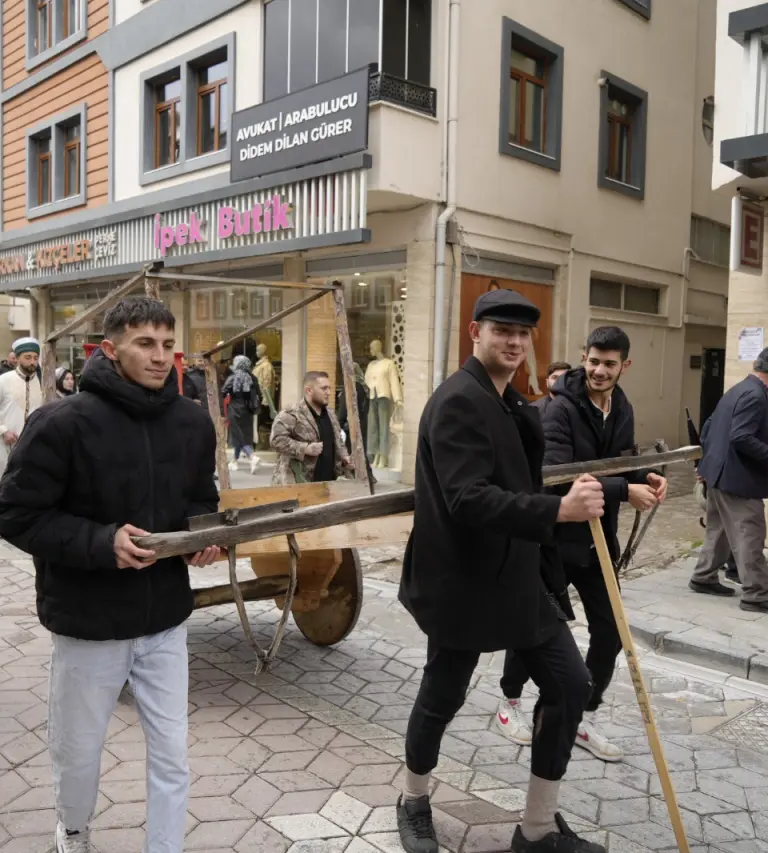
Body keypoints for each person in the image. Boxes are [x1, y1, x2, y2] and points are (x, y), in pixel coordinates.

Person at [0, 297, 222, 853]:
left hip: (164, 619)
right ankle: (74, 835)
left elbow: (200, 501)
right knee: (78, 752)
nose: (160, 356)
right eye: (145, 343)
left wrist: (204, 539)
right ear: (110, 348)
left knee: (172, 751)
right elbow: (15, 517)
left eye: (168, 345)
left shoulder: (192, 421)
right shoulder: (61, 422)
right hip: (88, 624)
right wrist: (102, 543)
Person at [397, 289, 607, 853]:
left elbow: (529, 481)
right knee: (443, 695)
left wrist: (619, 488)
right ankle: (413, 799)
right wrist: (558, 511)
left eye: (523, 334)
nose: (514, 342)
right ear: (475, 333)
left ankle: (536, 829)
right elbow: (467, 498)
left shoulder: (510, 401)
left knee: (570, 683)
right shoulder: (459, 401)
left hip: (516, 578)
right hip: (460, 581)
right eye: (501, 331)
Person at [496, 327, 666, 761]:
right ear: (583, 357)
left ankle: (582, 716)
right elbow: (558, 475)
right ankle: (509, 702)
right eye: (593, 361)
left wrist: (642, 478)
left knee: (611, 631)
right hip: (554, 537)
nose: (599, 370)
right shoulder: (559, 410)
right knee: (533, 626)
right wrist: (624, 492)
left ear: (624, 366)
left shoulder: (621, 406)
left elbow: (621, 462)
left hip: (596, 541)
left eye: (610, 364)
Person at [689, 347, 768, 613]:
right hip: (738, 478)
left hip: (719, 474)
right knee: (750, 534)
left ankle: (704, 577)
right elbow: (741, 437)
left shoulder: (737, 390)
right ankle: (757, 594)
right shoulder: (756, 396)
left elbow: (710, 427)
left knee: (720, 530)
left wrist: (706, 464)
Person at [0, 337, 45, 489]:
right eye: (27, 358)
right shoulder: (3, 381)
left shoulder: (43, 382)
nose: (32, 362)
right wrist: (3, 431)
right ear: (17, 359)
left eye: (35, 358)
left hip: (33, 446)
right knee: (2, 487)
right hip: (5, 445)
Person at [270, 371, 353, 485]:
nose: (328, 392)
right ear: (309, 390)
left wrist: (345, 458)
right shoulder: (291, 414)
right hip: (298, 484)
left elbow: (338, 442)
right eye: (324, 388)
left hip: (328, 484)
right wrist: (304, 448)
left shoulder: (331, 415)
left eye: (329, 388)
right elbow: (276, 440)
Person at [222, 354, 262, 474]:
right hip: (248, 411)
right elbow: (259, 394)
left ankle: (251, 456)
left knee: (238, 435)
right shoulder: (253, 378)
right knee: (243, 435)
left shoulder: (233, 377)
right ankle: (234, 461)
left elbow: (224, 391)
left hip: (235, 409)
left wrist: (230, 395)